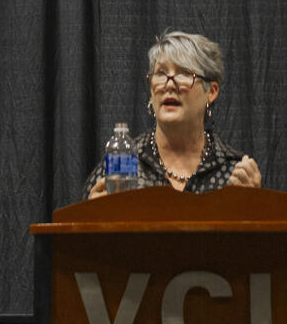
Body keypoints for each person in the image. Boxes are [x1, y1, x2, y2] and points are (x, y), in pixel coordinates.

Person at [85, 30, 263, 198]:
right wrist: (95, 220)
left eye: (184, 73)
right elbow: (79, 225)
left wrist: (254, 206)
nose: (169, 84)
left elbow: (263, 230)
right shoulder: (122, 164)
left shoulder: (235, 172)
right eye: (161, 73)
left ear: (212, 91)